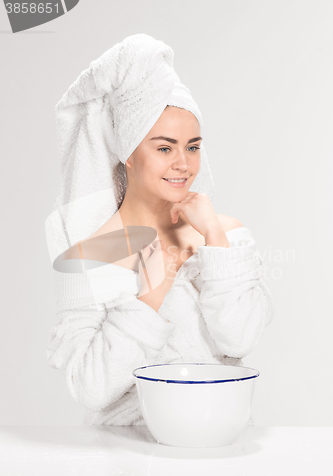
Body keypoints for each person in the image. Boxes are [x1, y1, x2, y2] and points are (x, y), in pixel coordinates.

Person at [45, 34, 274, 426]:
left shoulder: (223, 233)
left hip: (219, 443)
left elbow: (240, 340)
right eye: (164, 148)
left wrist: (216, 244)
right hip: (126, 460)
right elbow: (91, 388)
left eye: (193, 146)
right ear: (128, 152)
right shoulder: (92, 253)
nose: (183, 164)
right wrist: (153, 290)